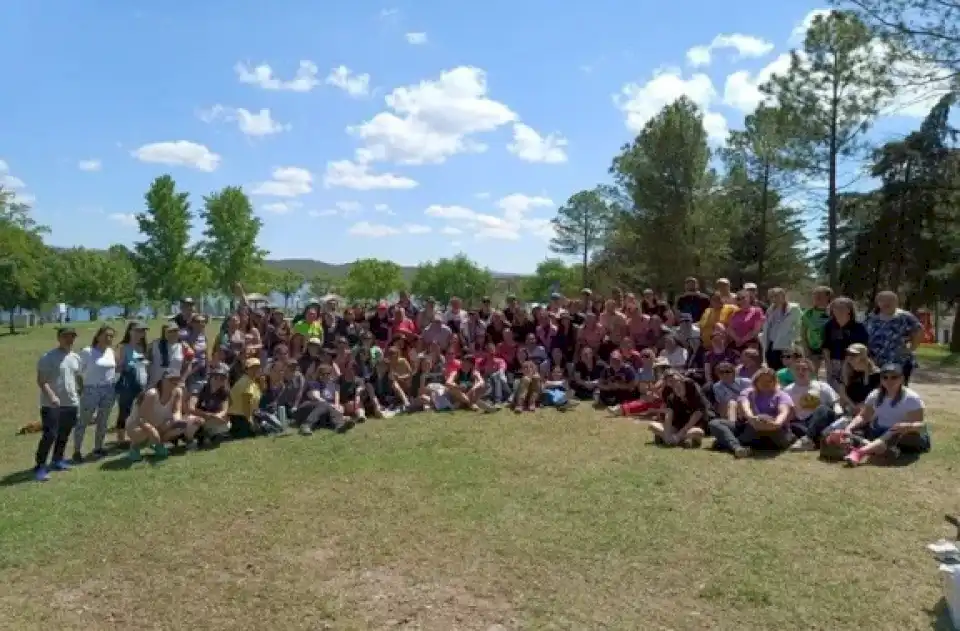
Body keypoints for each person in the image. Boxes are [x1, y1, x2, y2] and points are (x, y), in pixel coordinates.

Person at [829, 363, 931, 466]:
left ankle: (860, 452)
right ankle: (876, 447)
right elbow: (864, 416)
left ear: (902, 379)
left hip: (906, 435)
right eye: (885, 378)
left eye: (894, 377)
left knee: (894, 432)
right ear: (881, 380)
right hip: (879, 432)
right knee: (846, 432)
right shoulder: (875, 395)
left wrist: (907, 426)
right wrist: (849, 428)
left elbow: (920, 426)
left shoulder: (911, 398)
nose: (889, 381)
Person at [708, 367, 794, 458]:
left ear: (775, 382)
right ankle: (737, 448)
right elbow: (745, 406)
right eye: (762, 381)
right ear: (756, 382)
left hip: (775, 431)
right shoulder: (748, 392)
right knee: (715, 423)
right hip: (751, 428)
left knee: (763, 418)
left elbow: (783, 412)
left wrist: (776, 424)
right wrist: (751, 418)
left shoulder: (782, 395)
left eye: (769, 381)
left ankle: (727, 441)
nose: (766, 384)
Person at [34, 327, 82, 482]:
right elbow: (42, 381)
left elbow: (78, 377)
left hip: (71, 402)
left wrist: (81, 392)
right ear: (59, 338)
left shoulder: (75, 357)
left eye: (72, 337)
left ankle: (57, 460)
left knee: (64, 433)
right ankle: (40, 466)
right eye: (65, 336)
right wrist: (52, 396)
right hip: (51, 404)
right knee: (50, 435)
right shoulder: (48, 357)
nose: (69, 339)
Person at [73, 325, 118, 461]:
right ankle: (77, 451)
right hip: (91, 389)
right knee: (84, 420)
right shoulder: (88, 352)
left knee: (103, 421)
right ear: (98, 336)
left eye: (111, 336)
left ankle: (98, 447)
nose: (108, 338)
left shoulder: (111, 352)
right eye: (106, 335)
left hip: (109, 389)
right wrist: (81, 388)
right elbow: (78, 372)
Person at [785, 358, 843, 452]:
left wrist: (839, 413)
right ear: (793, 372)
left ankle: (807, 439)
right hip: (801, 422)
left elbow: (835, 403)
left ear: (810, 371)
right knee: (792, 425)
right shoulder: (787, 391)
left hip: (820, 419)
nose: (801, 372)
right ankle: (814, 440)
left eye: (804, 369)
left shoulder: (822, 386)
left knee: (822, 409)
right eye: (797, 369)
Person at [864, 291, 923, 384]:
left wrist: (912, 348)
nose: (886, 303)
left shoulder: (905, 316)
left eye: (890, 300)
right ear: (878, 302)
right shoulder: (871, 317)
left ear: (896, 302)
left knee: (898, 389)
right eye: (882, 300)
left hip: (899, 361)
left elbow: (918, 330)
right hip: (876, 362)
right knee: (877, 389)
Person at [647, 371, 710, 447]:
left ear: (681, 379)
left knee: (697, 432)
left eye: (675, 380)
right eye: (670, 382)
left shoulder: (691, 386)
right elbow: (669, 413)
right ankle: (677, 440)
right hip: (678, 425)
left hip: (693, 425)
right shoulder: (669, 394)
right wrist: (667, 435)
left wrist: (680, 435)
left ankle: (669, 438)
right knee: (652, 426)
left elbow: (698, 413)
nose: (674, 384)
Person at [114, 321, 149, 446]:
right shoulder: (123, 347)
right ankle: (121, 439)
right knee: (125, 410)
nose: (141, 333)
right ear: (130, 331)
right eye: (138, 330)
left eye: (143, 331)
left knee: (140, 411)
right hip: (128, 382)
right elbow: (118, 366)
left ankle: (137, 435)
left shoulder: (143, 347)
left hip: (142, 382)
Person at [822, 296, 868, 389]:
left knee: (849, 388)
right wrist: (828, 364)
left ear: (849, 310)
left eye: (842, 307)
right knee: (832, 388)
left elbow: (861, 347)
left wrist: (847, 365)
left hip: (853, 362)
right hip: (833, 361)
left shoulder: (858, 327)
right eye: (836, 307)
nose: (839, 310)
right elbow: (826, 346)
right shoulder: (829, 325)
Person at [188, 364, 232, 448]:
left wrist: (218, 416)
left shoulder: (224, 392)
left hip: (211, 418)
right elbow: (191, 407)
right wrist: (208, 415)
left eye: (222, 379)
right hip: (198, 416)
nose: (218, 381)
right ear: (210, 377)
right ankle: (190, 441)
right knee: (193, 421)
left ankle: (208, 436)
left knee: (227, 424)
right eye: (216, 377)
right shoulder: (200, 387)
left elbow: (224, 410)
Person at [760, 287, 802, 370]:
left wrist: (793, 339)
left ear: (783, 296)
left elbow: (799, 325)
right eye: (772, 296)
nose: (774, 298)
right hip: (772, 344)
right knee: (772, 368)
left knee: (785, 369)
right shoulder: (770, 309)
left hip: (786, 344)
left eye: (776, 296)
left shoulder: (793, 308)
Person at [835, 343, 881, 415]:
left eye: (853, 354)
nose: (849, 357)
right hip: (849, 406)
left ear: (863, 356)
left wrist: (862, 406)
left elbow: (877, 395)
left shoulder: (875, 373)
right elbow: (842, 393)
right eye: (848, 353)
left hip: (867, 408)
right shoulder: (845, 370)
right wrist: (853, 406)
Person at [800, 286, 833, 375]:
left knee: (831, 374)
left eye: (820, 295)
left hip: (831, 348)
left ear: (828, 297)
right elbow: (802, 333)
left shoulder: (834, 312)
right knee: (812, 374)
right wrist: (806, 348)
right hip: (813, 348)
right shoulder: (808, 313)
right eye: (814, 295)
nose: (816, 298)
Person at [228, 357, 263, 438]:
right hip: (240, 418)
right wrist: (251, 421)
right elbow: (246, 405)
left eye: (257, 368)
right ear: (246, 370)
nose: (256, 370)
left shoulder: (252, 381)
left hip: (245, 416)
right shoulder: (246, 382)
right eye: (252, 368)